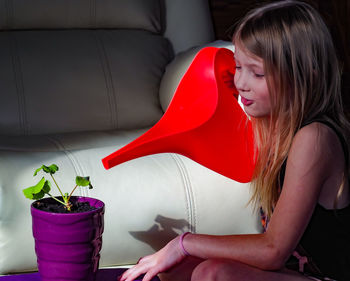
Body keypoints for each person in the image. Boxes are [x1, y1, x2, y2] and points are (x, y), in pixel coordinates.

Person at [119, 1, 350, 280]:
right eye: (238, 67)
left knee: (215, 272)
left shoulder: (315, 139)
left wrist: (184, 243)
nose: (241, 82)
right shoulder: (273, 127)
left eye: (257, 73)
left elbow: (273, 250)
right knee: (175, 269)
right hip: (294, 271)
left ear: (304, 75)